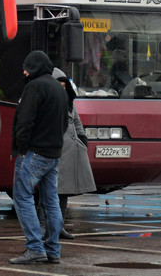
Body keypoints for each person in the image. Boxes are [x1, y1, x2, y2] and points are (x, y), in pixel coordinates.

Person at [9, 51, 68, 265]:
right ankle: (53, 249)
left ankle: (35, 247)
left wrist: (22, 148)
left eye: (27, 67)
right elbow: (65, 122)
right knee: (51, 202)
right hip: (54, 153)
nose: (24, 72)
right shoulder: (59, 88)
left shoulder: (34, 87)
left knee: (23, 197)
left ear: (34, 67)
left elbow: (25, 122)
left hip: (34, 153)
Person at [52, 68, 95, 240]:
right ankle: (47, 227)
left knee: (64, 192)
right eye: (59, 85)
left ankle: (59, 227)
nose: (62, 89)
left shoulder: (69, 101)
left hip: (69, 151)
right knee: (50, 192)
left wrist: (82, 139)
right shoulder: (46, 100)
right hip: (53, 150)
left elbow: (76, 121)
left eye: (64, 86)